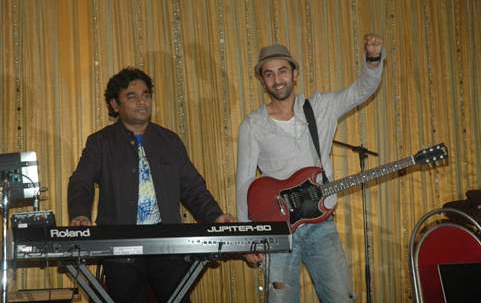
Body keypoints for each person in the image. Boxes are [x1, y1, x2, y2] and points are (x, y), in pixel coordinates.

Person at [236, 35, 385, 302]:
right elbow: (244, 183)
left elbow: (361, 90)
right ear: (262, 80)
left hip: (321, 225)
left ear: (295, 74)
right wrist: (248, 238)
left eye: (282, 71)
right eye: (268, 74)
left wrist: (373, 59)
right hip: (277, 232)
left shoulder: (321, 107)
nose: (277, 79)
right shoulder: (253, 124)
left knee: (341, 297)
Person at [68, 67, 233, 303]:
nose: (142, 102)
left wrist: (215, 217)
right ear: (115, 105)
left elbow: (193, 187)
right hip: (120, 249)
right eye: (131, 96)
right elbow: (81, 181)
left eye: (146, 95)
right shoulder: (100, 142)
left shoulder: (169, 141)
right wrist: (80, 215)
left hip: (169, 248)